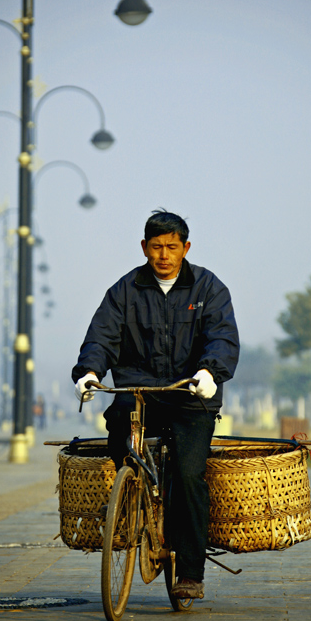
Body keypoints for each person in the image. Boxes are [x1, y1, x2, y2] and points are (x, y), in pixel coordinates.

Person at [72, 210, 239, 600]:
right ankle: (130, 500)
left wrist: (210, 373)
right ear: (144, 247)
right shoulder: (124, 291)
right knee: (119, 431)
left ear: (186, 247)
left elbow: (222, 338)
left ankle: (191, 572)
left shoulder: (208, 288)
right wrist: (88, 372)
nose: (164, 254)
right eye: (156, 247)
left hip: (190, 396)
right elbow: (101, 337)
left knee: (187, 474)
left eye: (172, 247)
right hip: (139, 393)